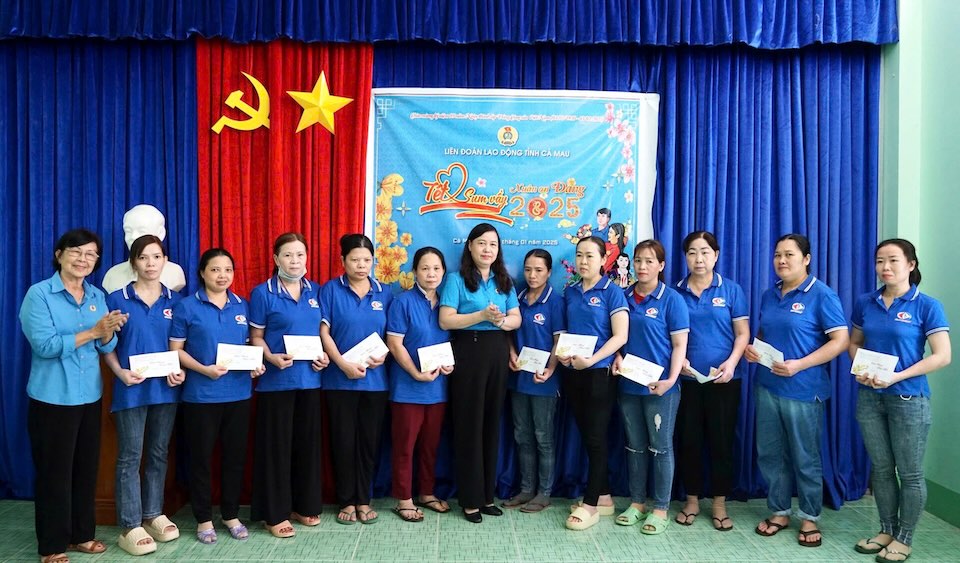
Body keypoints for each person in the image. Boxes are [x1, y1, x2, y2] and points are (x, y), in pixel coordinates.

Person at [19, 229, 127, 563]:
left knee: (85, 469)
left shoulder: (96, 294)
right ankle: (52, 545)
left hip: (89, 396)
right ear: (59, 254)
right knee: (55, 473)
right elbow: (46, 346)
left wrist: (108, 331)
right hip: (52, 400)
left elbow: (105, 346)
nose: (83, 259)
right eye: (76, 252)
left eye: (91, 254)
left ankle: (82, 534)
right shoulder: (39, 295)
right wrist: (94, 331)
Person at [849, 239, 951, 562]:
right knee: (880, 469)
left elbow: (942, 356)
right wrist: (861, 368)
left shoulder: (927, 306)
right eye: (880, 261)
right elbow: (853, 342)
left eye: (893, 260)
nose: (885, 267)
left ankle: (904, 538)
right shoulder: (866, 303)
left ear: (910, 264)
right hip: (870, 397)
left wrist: (896, 376)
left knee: (909, 473)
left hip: (908, 398)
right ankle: (886, 529)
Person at [745, 234, 848, 548]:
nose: (782, 260)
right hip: (768, 387)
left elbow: (840, 341)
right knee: (771, 454)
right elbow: (764, 333)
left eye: (789, 254)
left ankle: (809, 515)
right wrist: (755, 351)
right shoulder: (769, 294)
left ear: (806, 259)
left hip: (804, 390)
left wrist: (799, 365)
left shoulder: (822, 295)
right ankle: (779, 511)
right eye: (777, 254)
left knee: (805, 456)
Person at [170, 248, 265, 544]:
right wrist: (204, 370)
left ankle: (231, 514)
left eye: (227, 270)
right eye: (215, 269)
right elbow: (176, 351)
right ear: (202, 273)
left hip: (238, 395)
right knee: (200, 460)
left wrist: (255, 365)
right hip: (200, 396)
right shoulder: (187, 307)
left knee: (235, 458)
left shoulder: (243, 305)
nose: (222, 275)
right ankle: (203, 518)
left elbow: (250, 345)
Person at [103, 235, 184, 555]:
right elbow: (105, 344)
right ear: (133, 262)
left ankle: (152, 513)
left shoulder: (175, 302)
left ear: (165, 260)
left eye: (156, 257)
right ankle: (130, 524)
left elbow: (182, 346)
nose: (151, 264)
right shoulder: (117, 299)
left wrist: (180, 370)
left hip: (166, 390)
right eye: (143, 258)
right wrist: (119, 372)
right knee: (129, 456)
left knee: (158, 454)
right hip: (131, 390)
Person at [439, 223, 521, 523]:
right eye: (482, 244)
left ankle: (487, 496)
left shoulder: (504, 282)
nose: (488, 250)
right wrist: (481, 316)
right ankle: (470, 499)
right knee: (468, 425)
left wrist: (500, 322)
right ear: (470, 246)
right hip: (468, 353)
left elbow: (516, 319)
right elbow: (446, 320)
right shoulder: (456, 279)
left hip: (497, 352)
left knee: (491, 424)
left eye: (493, 245)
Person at [249, 233, 329, 538]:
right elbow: (256, 337)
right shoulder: (262, 293)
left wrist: (323, 359)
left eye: (299, 255)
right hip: (275, 382)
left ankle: (304, 505)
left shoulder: (316, 292)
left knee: (307, 447)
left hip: (310, 380)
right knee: (276, 449)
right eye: (287, 255)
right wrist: (270, 357)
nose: (294, 261)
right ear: (275, 259)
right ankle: (275, 513)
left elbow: (321, 335)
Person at [612, 240, 689, 535]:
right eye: (638, 261)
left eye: (649, 261)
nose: (642, 267)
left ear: (661, 265)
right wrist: (617, 357)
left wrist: (670, 380)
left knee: (660, 447)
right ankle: (637, 503)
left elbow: (680, 345)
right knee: (634, 446)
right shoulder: (622, 296)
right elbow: (615, 336)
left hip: (661, 389)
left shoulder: (672, 300)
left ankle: (660, 508)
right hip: (629, 385)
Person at [674, 231, 750, 531]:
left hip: (724, 381)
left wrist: (731, 364)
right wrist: (680, 364)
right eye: (692, 252)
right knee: (689, 440)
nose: (699, 258)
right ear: (685, 257)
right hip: (688, 380)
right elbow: (669, 336)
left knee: (721, 442)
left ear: (716, 255)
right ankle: (691, 499)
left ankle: (719, 502)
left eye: (705, 252)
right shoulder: (675, 291)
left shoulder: (731, 290)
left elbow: (743, 334)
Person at [320, 234, 392, 525]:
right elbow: (324, 332)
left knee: (369, 443)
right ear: (343, 261)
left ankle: (365, 498)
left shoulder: (385, 292)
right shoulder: (330, 290)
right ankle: (347, 500)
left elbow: (393, 335)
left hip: (376, 383)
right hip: (339, 381)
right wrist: (342, 364)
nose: (361, 265)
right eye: (355, 260)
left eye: (367, 260)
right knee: (343, 441)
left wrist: (384, 356)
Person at [560, 236, 629, 531]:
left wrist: (594, 360)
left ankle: (589, 506)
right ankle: (604, 497)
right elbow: (566, 331)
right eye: (579, 255)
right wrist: (563, 355)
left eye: (590, 256)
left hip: (599, 373)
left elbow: (620, 336)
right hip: (574, 372)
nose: (583, 261)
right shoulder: (570, 292)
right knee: (588, 435)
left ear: (604, 260)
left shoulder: (612, 293)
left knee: (597, 438)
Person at [385, 247, 453, 522]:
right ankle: (404, 498)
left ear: (443, 272)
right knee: (405, 446)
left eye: (436, 268)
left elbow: (450, 344)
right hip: (407, 389)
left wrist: (449, 365)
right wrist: (414, 372)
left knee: (431, 445)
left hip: (437, 389)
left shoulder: (447, 305)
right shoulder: (402, 302)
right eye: (425, 268)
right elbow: (394, 344)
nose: (431, 274)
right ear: (414, 272)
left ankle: (426, 492)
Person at [503, 249, 564, 513]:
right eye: (528, 269)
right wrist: (512, 354)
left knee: (543, 437)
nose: (532, 275)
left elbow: (558, 341)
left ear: (549, 272)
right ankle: (526, 489)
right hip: (519, 379)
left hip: (544, 381)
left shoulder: (556, 302)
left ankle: (544, 492)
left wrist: (551, 369)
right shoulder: (516, 296)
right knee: (522, 436)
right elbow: (508, 332)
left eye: (538, 270)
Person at [101, 205, 186, 293]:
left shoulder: (175, 273)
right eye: (129, 231)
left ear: (160, 233)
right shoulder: (113, 275)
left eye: (142, 231)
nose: (133, 237)